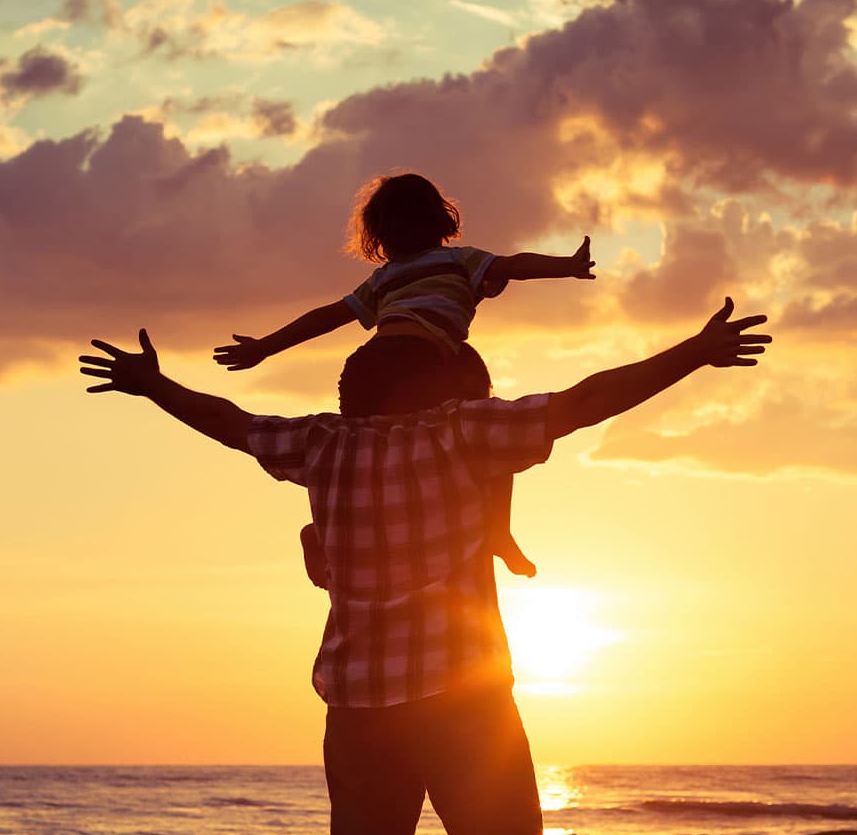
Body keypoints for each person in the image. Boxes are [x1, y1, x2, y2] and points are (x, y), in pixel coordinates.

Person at [80, 298, 770, 835]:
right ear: (432, 387)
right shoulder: (460, 433)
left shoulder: (321, 444)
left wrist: (154, 386)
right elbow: (585, 400)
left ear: (359, 394)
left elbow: (231, 423)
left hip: (359, 711)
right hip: (465, 703)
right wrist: (695, 352)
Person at [213, 171, 594, 580]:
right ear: (440, 220)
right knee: (489, 432)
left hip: (367, 370)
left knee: (366, 462)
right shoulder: (460, 260)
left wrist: (264, 347)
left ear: (379, 235)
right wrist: (566, 266)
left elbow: (327, 317)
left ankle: (323, 534)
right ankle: (496, 525)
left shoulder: (382, 279)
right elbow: (514, 265)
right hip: (425, 363)